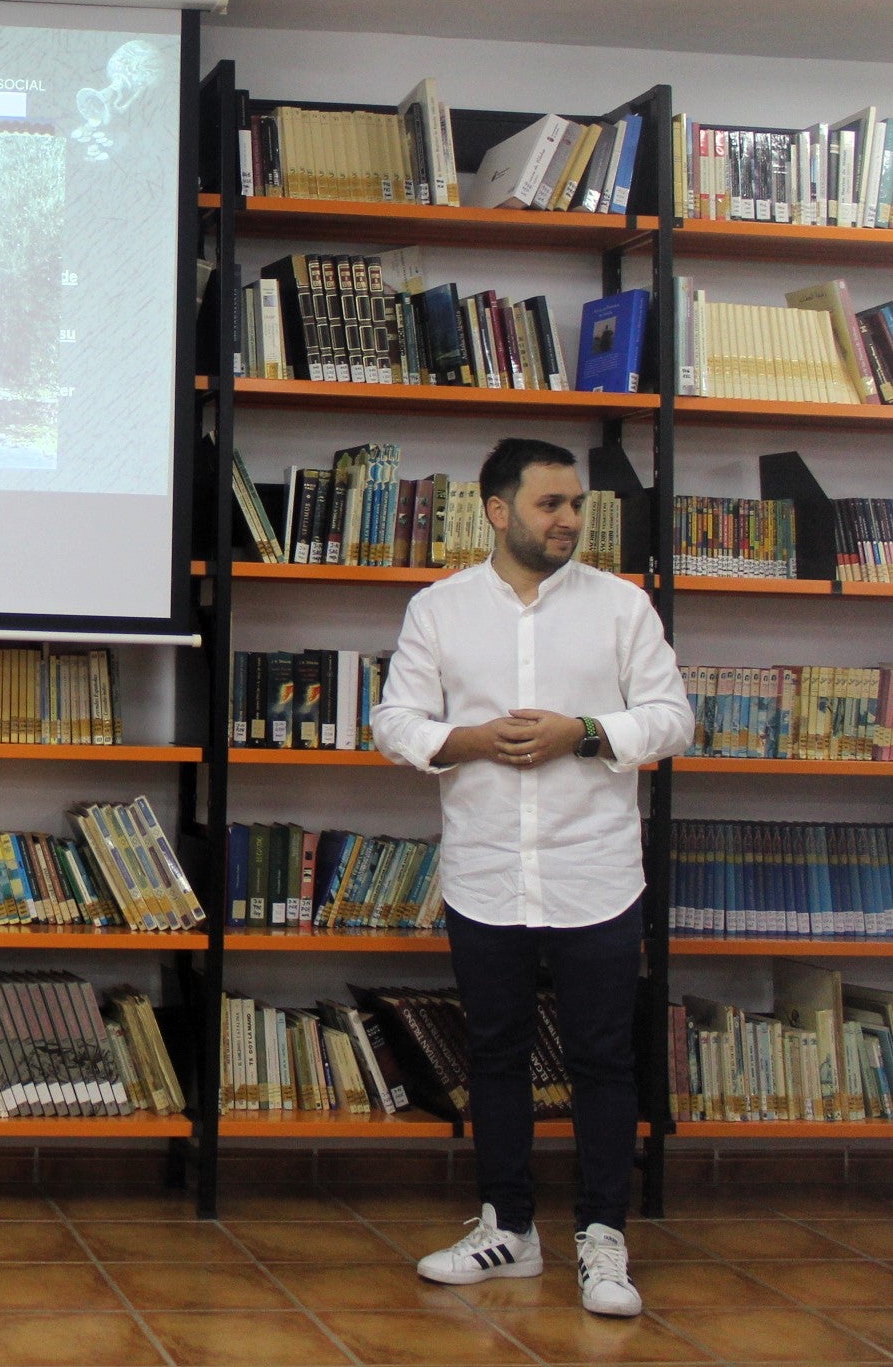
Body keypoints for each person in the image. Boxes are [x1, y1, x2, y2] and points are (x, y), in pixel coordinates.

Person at [371, 439, 693, 1319]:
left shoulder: (623, 608)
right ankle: (508, 1227)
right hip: (486, 870)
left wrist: (584, 730)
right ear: (499, 511)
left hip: (595, 869)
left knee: (600, 1055)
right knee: (496, 1054)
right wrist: (469, 740)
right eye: (551, 504)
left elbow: (673, 719)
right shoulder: (438, 610)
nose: (569, 521)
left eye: (576, 505)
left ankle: (603, 1236)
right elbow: (393, 719)